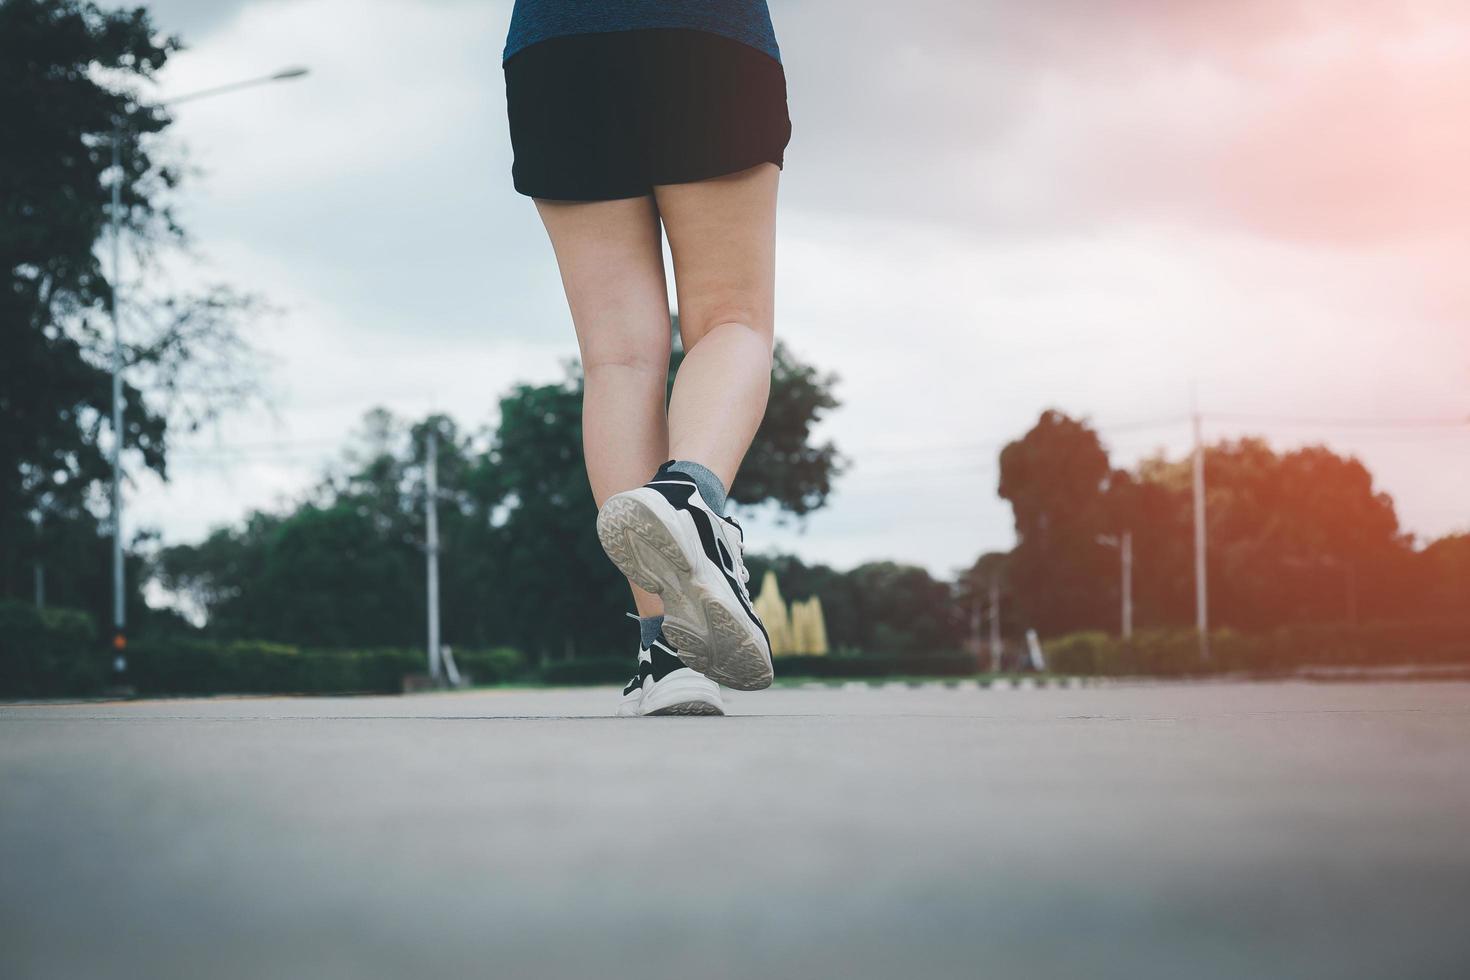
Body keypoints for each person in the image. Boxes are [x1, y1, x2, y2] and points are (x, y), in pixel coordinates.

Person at [503, 2, 791, 716]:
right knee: (731, 318)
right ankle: (689, 494)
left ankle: (666, 653)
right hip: (706, 34)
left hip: (558, 46)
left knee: (617, 360)